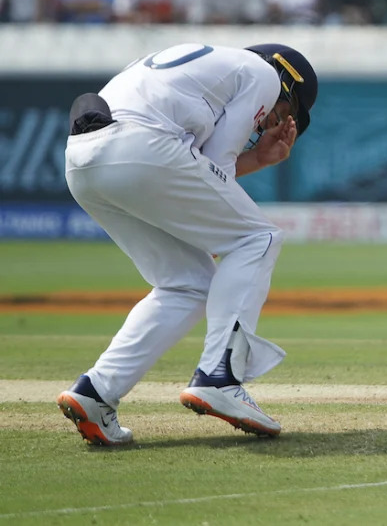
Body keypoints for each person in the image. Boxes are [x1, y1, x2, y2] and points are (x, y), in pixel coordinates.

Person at [56, 43, 318, 444]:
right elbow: (216, 165)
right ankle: (220, 376)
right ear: (286, 80)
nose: (270, 125)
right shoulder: (263, 74)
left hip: (84, 161)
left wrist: (257, 161)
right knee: (258, 238)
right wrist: (259, 162)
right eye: (284, 113)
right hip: (142, 148)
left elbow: (197, 171)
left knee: (188, 282)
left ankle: (96, 392)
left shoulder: (203, 67)